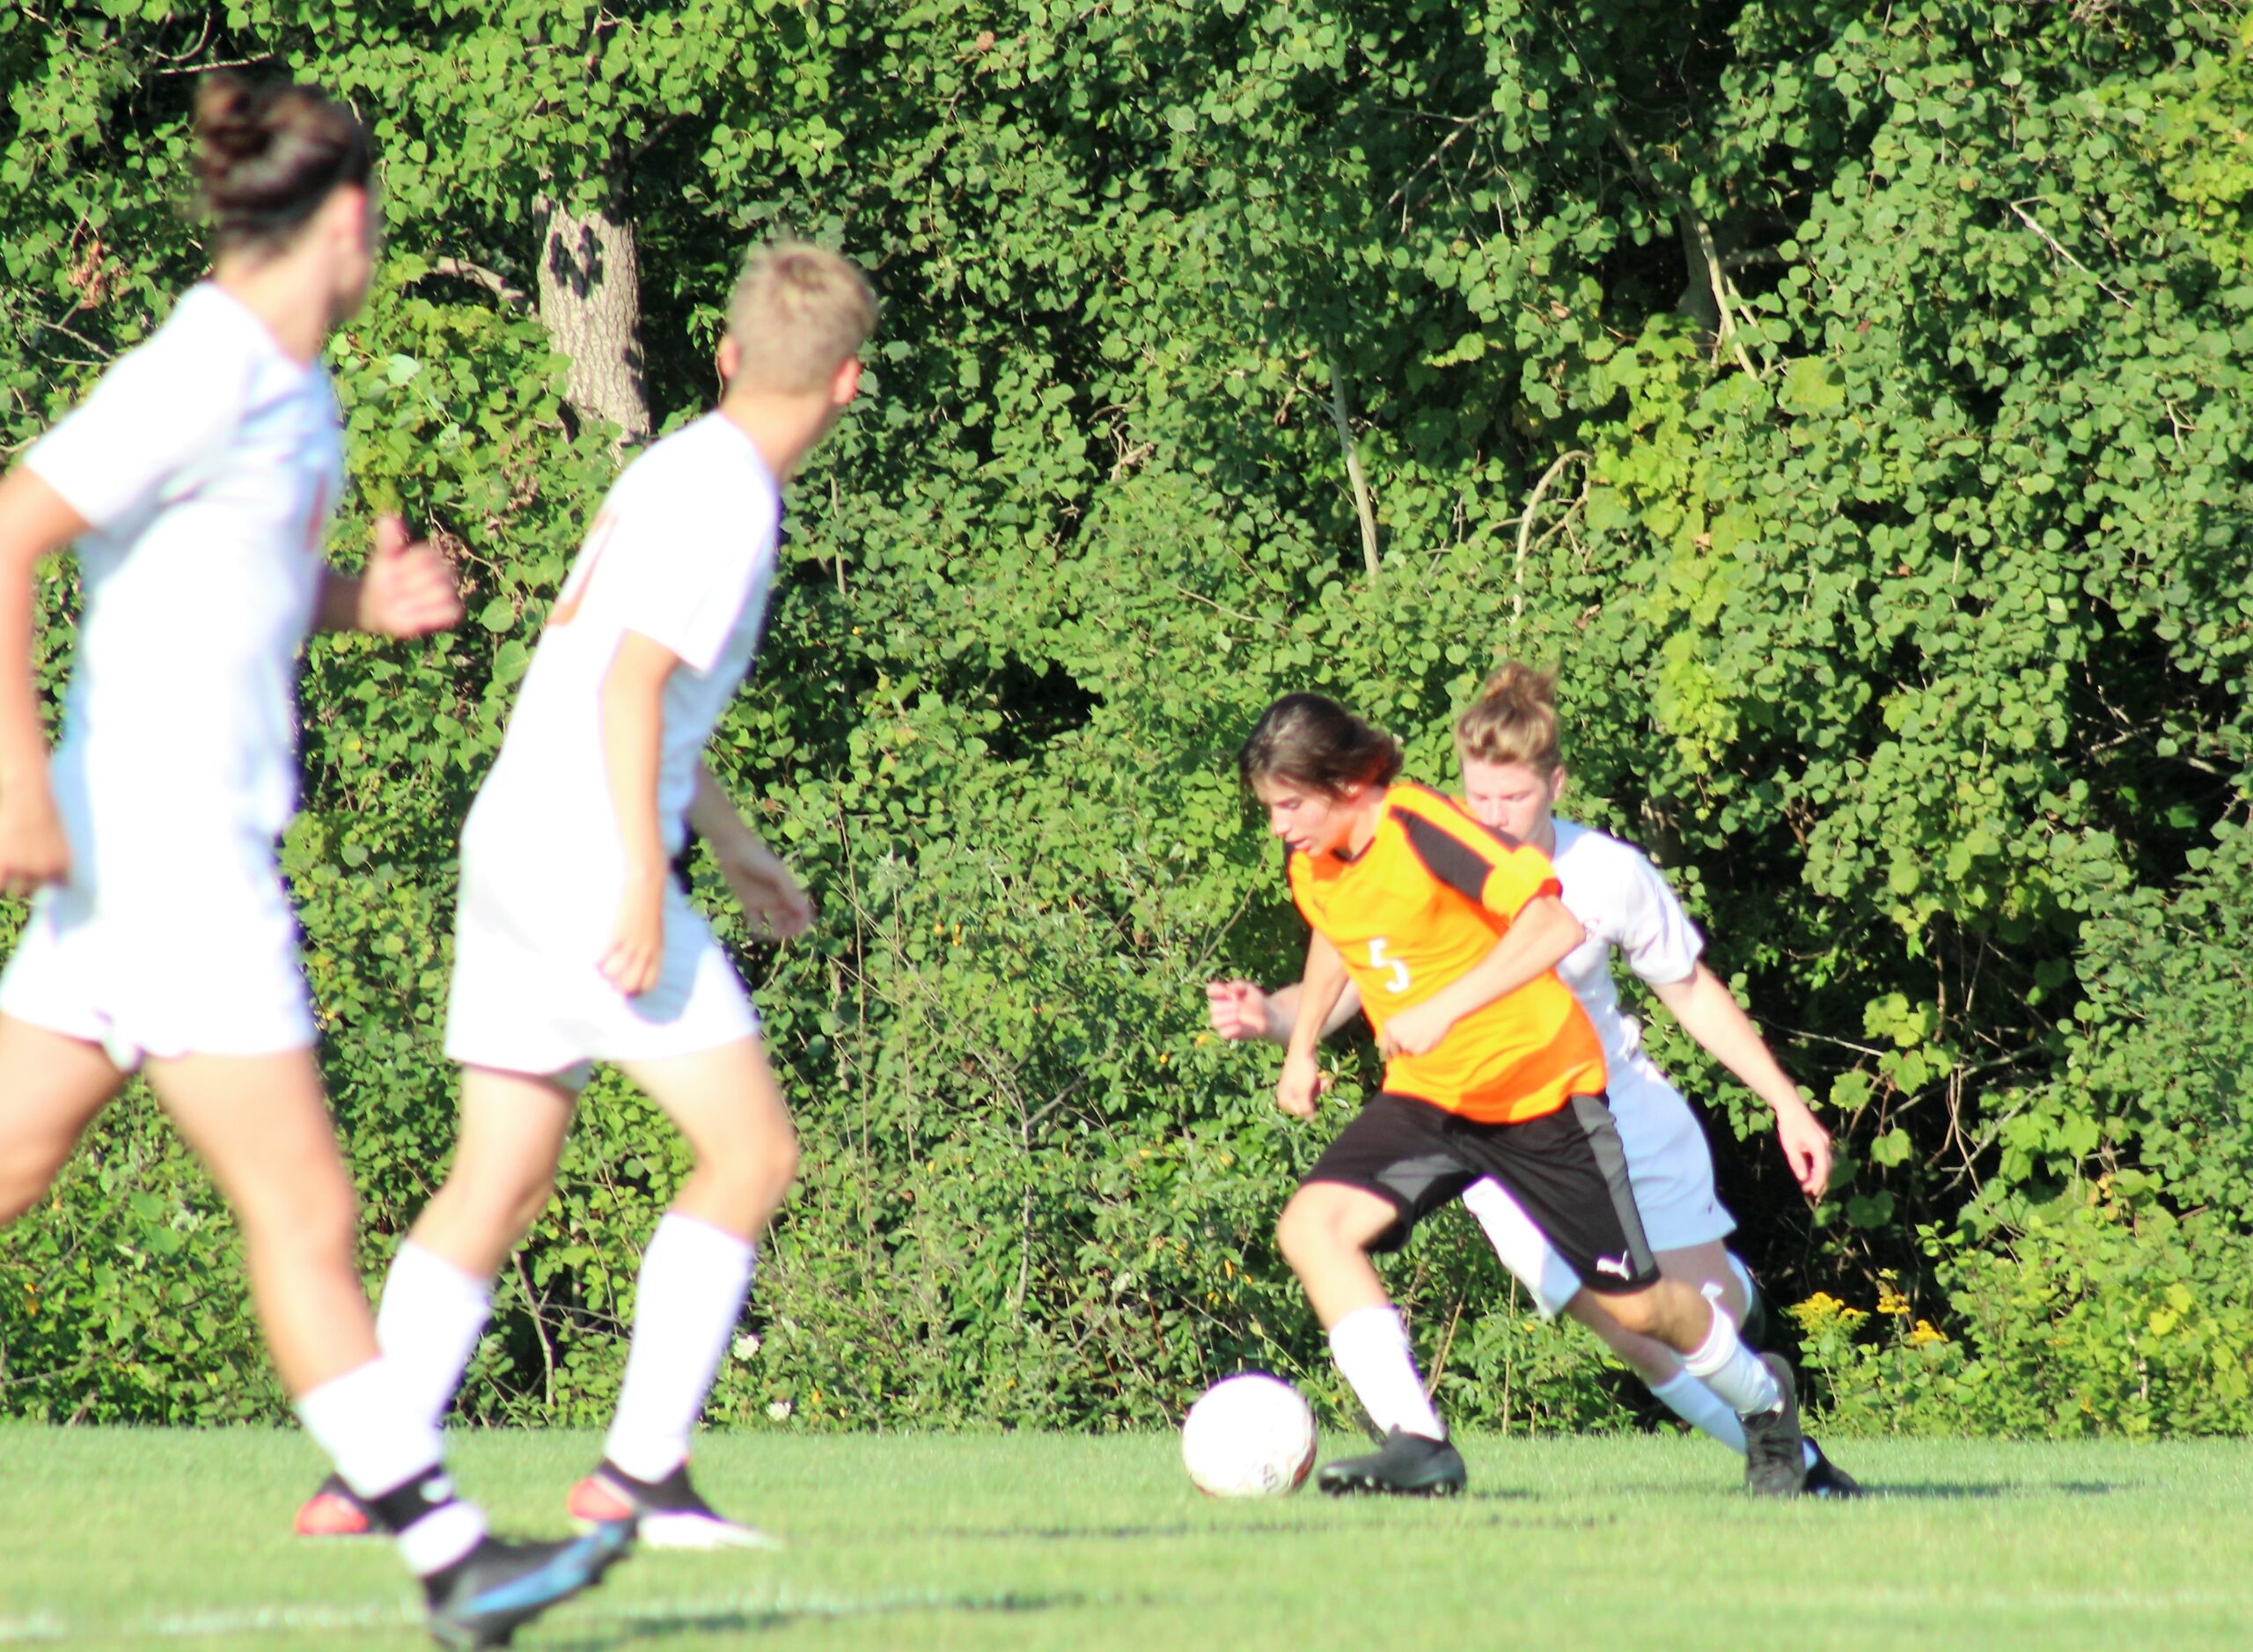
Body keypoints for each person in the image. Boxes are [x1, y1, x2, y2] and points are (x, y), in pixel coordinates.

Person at [0, 73, 627, 1647]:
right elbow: (8, 528)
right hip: (169, 863)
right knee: (304, 1213)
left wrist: (364, 604)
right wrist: (12, 781)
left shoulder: (293, 385)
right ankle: (453, 1555)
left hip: (142, 869)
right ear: (346, 220)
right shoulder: (207, 365)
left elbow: (231, 582)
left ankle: (451, 1555)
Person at [295, 240, 876, 1550]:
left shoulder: (675, 466)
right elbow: (628, 687)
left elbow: (643, 692)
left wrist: (731, 843)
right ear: (846, 380)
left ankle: (372, 1471)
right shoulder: (734, 499)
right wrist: (639, 879)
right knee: (752, 1153)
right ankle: (641, 1473)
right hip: (581, 860)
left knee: (498, 1174)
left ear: (727, 354)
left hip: (512, 839)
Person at [1211, 664, 1859, 1494]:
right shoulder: (1319, 861)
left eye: (1289, 805)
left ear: (1344, 783)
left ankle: (1767, 1401)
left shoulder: (1424, 827)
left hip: (1540, 1097)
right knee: (1311, 1227)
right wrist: (1297, 1042)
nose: (1277, 826)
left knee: (1639, 1309)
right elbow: (1339, 936)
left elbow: (1553, 925)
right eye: (1270, 807)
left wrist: (1443, 1009)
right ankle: (1419, 1443)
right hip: (1433, 1097)